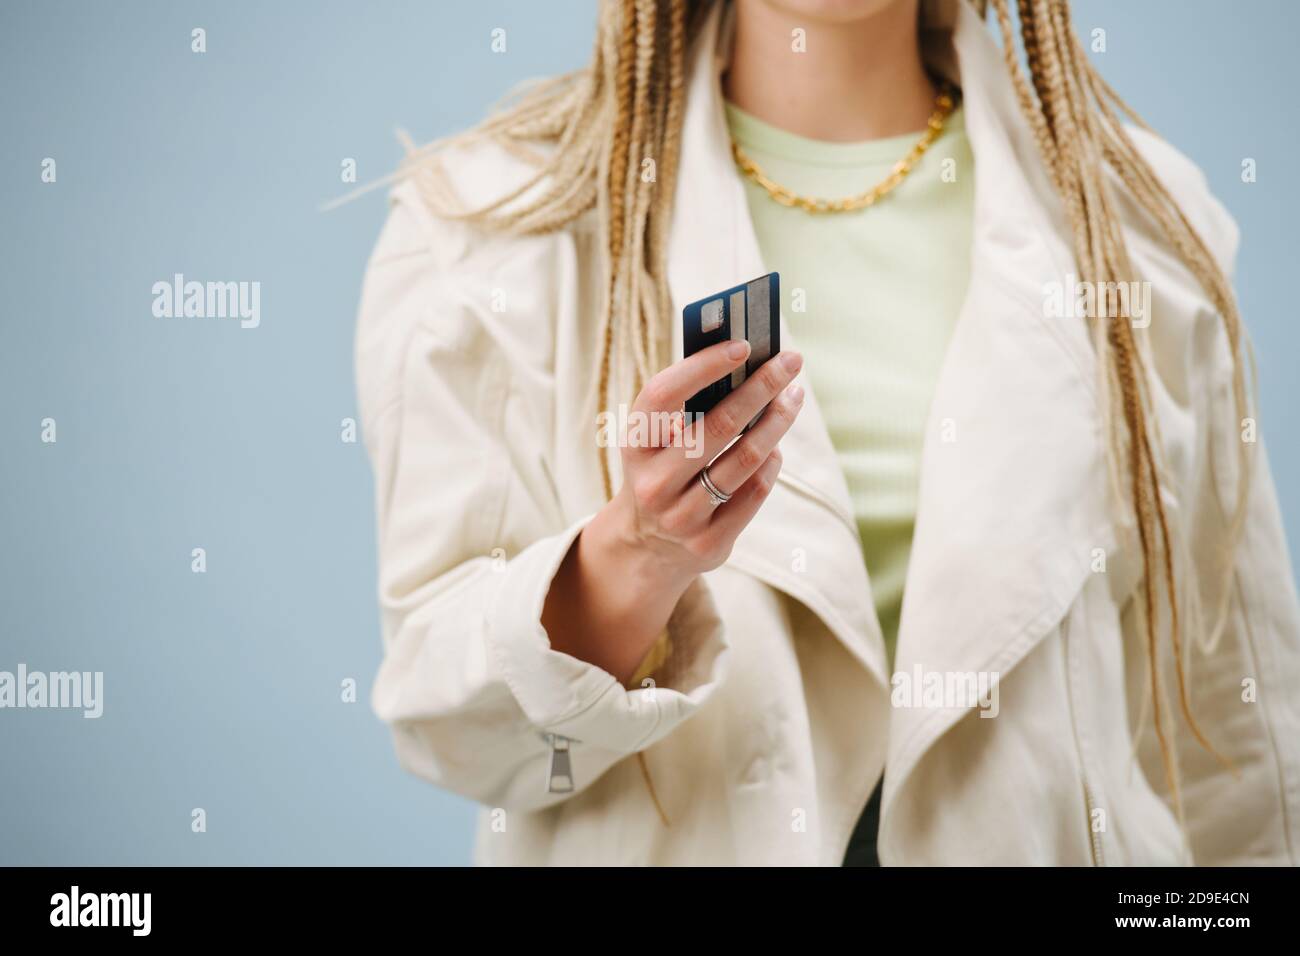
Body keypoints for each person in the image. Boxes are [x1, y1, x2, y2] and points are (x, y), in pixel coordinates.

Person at [354, 0, 1300, 865]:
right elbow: (452, 729)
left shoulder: (1139, 229)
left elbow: (1237, 752)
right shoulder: (485, 228)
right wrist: (630, 561)